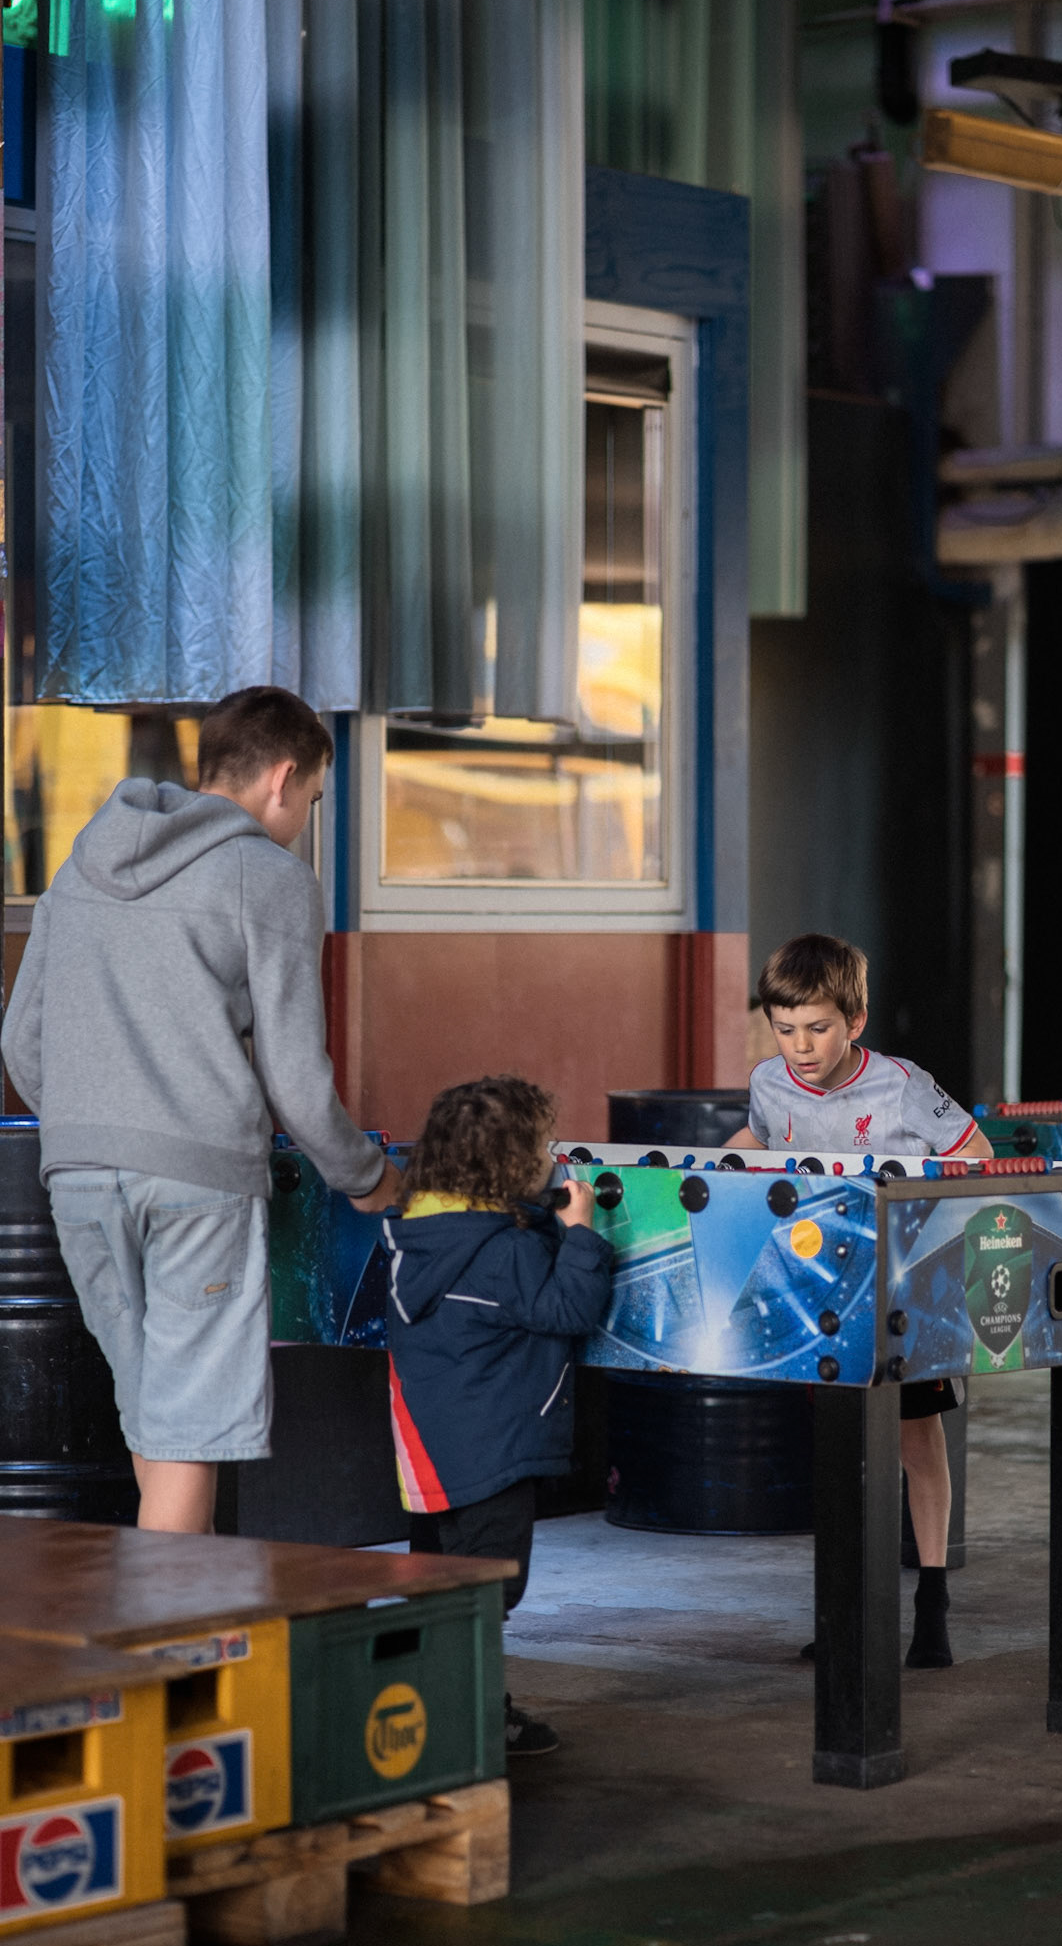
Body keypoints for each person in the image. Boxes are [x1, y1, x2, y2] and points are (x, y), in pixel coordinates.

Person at [0, 686, 403, 1536]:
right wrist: (367, 1177)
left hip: (76, 1178)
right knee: (189, 1429)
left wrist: (91, 1123)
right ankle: (176, 1620)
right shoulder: (271, 878)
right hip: (197, 1185)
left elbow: (20, 1039)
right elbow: (296, 1079)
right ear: (282, 778)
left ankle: (175, 1601)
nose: (305, 821)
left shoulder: (83, 862)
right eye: (313, 801)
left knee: (154, 1413)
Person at [727, 932, 992, 1666]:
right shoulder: (768, 1081)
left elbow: (976, 1157)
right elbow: (756, 1138)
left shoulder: (903, 1086)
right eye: (784, 1029)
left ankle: (931, 1606)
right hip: (818, 1292)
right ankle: (846, 1609)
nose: (799, 1046)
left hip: (905, 1286)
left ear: (855, 1020)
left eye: (817, 1028)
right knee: (841, 1449)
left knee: (915, 1441)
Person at [384, 1073, 612, 1757]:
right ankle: (473, 1720)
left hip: (431, 1449)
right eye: (542, 1146)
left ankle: (428, 1704)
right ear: (509, 1163)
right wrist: (580, 1234)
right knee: (487, 1589)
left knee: (441, 1585)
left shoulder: (418, 1231)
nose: (552, 1156)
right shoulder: (506, 1252)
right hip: (494, 1450)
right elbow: (567, 1310)